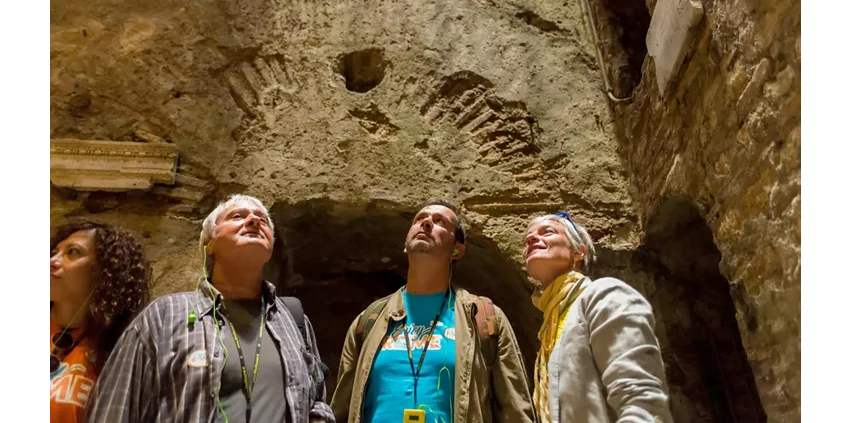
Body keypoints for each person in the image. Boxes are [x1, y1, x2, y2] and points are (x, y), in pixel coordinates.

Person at [87, 194, 334, 423]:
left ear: (270, 247)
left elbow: (317, 401)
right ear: (209, 244)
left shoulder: (292, 319)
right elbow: (115, 406)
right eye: (237, 216)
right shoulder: (164, 315)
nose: (253, 221)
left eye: (262, 220)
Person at [331, 199, 535, 423]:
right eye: (420, 219)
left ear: (457, 250)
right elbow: (341, 408)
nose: (427, 223)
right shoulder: (370, 319)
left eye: (440, 222)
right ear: (406, 244)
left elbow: (515, 410)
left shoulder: (483, 318)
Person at [523, 211, 674, 423]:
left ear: (578, 253)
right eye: (527, 238)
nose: (530, 239)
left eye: (547, 232)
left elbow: (641, 400)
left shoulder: (603, 294)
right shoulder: (550, 326)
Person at [50, 221, 151, 423]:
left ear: (104, 272)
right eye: (54, 252)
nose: (53, 260)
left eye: (72, 252)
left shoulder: (118, 352)